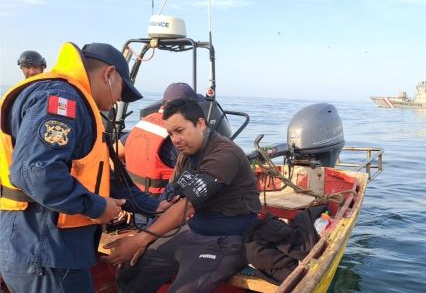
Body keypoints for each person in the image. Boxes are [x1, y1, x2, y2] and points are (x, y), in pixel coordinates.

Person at [0, 42, 166, 293]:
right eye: (122, 92)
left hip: (50, 250)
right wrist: (97, 207)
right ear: (109, 74)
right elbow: (36, 172)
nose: (118, 101)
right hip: (44, 250)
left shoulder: (74, 99)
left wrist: (154, 206)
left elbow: (97, 176)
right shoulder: (60, 99)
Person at [103, 99, 262, 293]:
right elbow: (171, 199)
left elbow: (186, 206)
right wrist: (148, 238)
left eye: (180, 130)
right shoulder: (185, 154)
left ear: (201, 124)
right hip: (193, 230)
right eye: (170, 133)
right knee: (131, 271)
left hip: (227, 239)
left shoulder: (224, 153)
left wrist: (141, 239)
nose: (175, 139)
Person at [118, 82, 201, 197]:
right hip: (158, 205)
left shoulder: (143, 124)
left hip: (132, 196)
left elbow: (114, 152)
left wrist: (121, 186)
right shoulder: (178, 137)